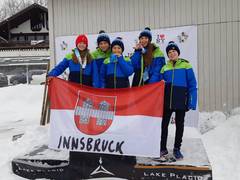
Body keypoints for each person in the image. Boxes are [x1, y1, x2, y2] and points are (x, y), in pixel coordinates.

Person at [47, 34, 99, 179]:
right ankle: (75, 151)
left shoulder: (91, 58)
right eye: (80, 43)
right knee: (75, 121)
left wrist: (96, 90)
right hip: (74, 94)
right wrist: (52, 74)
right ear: (76, 45)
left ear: (86, 45)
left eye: (84, 43)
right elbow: (60, 67)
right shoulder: (70, 57)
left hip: (88, 94)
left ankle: (88, 152)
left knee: (87, 121)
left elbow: (95, 76)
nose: (82, 45)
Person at [159, 41, 197, 160]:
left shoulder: (186, 65)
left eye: (174, 51)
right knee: (164, 125)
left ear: (178, 53)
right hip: (167, 102)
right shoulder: (164, 68)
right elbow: (159, 84)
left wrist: (192, 101)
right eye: (169, 52)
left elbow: (192, 84)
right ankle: (162, 148)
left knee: (179, 125)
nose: (171, 53)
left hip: (181, 101)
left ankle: (177, 149)